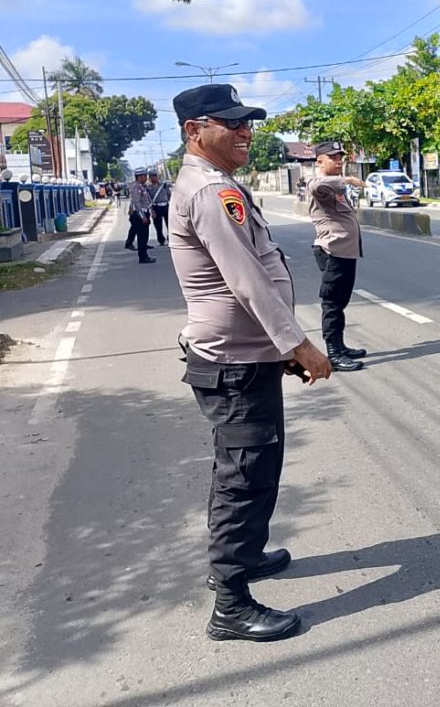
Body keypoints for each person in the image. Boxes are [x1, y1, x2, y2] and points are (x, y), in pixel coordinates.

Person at [170, 83, 332, 643]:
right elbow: (247, 282)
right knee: (244, 478)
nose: (246, 132)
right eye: (231, 123)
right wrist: (298, 345)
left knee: (248, 470)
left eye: (249, 123)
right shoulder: (213, 191)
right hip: (234, 364)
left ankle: (246, 557)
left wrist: (275, 351)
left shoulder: (215, 185)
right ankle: (231, 605)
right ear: (195, 131)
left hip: (244, 358)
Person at [308, 142, 367, 372]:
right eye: (333, 157)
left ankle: (340, 347)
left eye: (340, 157)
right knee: (332, 303)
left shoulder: (334, 188)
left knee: (340, 302)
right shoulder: (321, 184)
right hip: (332, 252)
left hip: (345, 252)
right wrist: (348, 180)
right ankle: (333, 354)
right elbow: (316, 184)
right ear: (319, 161)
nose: (339, 161)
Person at [126, 168, 155, 263]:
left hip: (144, 212)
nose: (146, 178)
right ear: (139, 177)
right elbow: (137, 203)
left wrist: (151, 211)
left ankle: (145, 255)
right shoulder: (136, 187)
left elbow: (147, 201)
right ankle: (143, 257)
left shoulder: (142, 186)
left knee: (145, 236)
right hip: (139, 214)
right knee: (141, 237)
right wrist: (143, 216)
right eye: (144, 176)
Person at [147, 170, 171, 245]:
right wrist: (151, 210)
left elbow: (169, 194)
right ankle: (161, 239)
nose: (155, 177)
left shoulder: (163, 185)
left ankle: (170, 237)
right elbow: (148, 199)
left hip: (165, 206)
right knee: (158, 225)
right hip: (156, 207)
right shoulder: (148, 187)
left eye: (156, 175)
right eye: (153, 176)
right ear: (150, 177)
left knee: (170, 224)